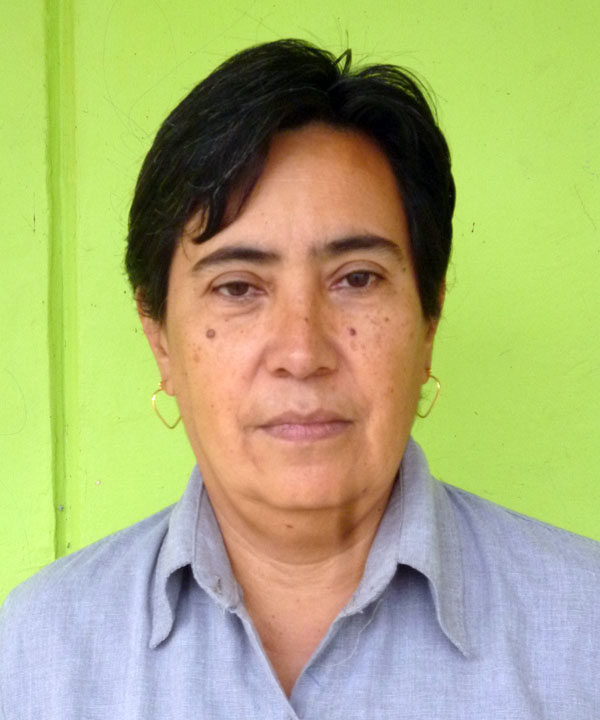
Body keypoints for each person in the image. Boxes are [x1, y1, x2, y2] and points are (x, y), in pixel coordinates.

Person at [1, 39, 598, 719]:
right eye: (237, 287)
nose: (301, 351)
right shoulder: (41, 653)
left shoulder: (584, 633)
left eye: (356, 279)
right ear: (159, 337)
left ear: (428, 319)